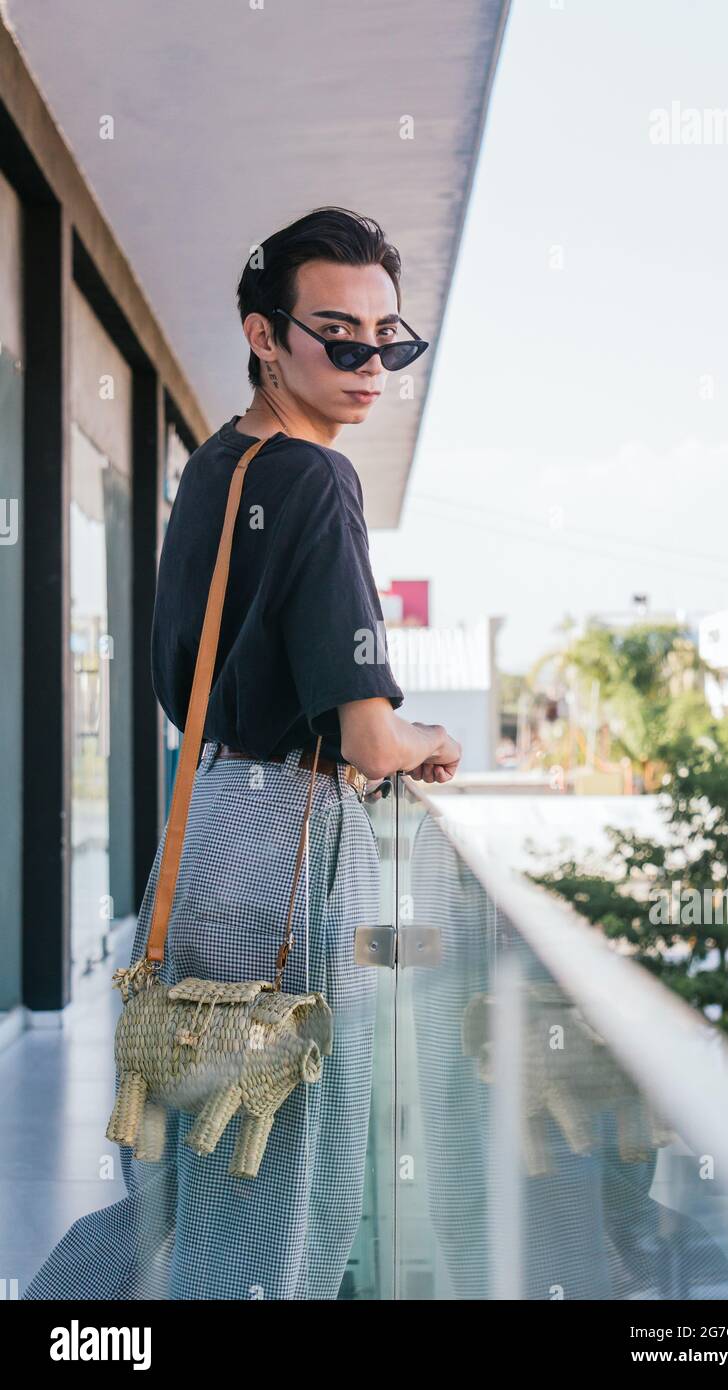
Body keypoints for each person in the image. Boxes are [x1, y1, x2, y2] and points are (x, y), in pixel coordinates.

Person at [23, 206, 462, 1301]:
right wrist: (428, 738)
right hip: (290, 852)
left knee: (183, 1176)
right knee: (287, 1198)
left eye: (388, 340)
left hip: (205, 822)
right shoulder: (316, 482)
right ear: (264, 337)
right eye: (339, 336)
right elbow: (366, 733)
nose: (371, 364)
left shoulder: (218, 466)